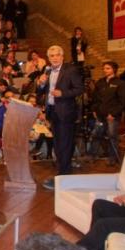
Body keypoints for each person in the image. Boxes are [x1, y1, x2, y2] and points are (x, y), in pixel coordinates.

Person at [37, 46, 84, 190]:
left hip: (65, 113)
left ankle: (64, 175)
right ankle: (62, 173)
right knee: (57, 144)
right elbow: (40, 91)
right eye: (51, 56)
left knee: (65, 144)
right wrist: (40, 83)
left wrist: (62, 93)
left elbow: (80, 89)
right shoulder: (47, 70)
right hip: (52, 112)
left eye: (57, 55)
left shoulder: (70, 70)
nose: (54, 58)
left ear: (62, 56)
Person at [88, 61, 125, 165]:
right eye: (104, 68)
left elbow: (122, 102)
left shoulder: (120, 83)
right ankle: (92, 155)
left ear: (114, 69)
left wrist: (113, 114)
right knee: (96, 134)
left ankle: (112, 158)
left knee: (112, 136)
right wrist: (94, 110)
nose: (105, 70)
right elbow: (94, 98)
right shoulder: (100, 82)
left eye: (108, 68)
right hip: (100, 115)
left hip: (112, 116)